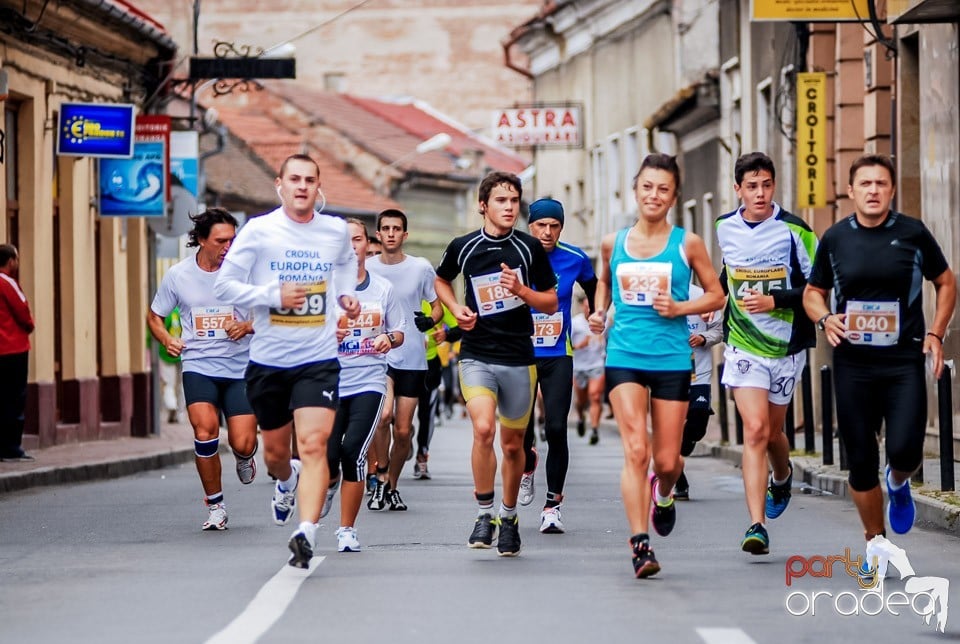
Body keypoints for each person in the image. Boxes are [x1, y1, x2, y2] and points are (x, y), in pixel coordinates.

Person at [803, 154, 956, 553]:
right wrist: (824, 320)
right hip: (852, 363)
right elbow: (813, 293)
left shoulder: (912, 233)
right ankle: (875, 541)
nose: (873, 190)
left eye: (881, 184)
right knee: (860, 457)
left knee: (906, 449)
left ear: (891, 190)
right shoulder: (835, 238)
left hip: (903, 360)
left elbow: (946, 281)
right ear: (851, 191)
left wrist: (936, 333)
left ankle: (899, 482)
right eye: (865, 184)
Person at [214, 153, 360, 568]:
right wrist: (271, 296)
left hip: (318, 359)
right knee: (276, 454)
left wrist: (346, 296)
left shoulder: (333, 231)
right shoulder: (259, 232)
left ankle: (307, 531)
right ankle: (285, 481)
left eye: (309, 180)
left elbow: (346, 266)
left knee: (314, 446)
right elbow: (225, 286)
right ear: (279, 184)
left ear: (318, 186)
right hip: (268, 362)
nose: (301, 186)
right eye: (294, 179)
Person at [588, 153, 724, 578]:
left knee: (666, 462)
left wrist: (681, 306)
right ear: (636, 190)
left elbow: (717, 296)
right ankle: (639, 544)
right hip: (625, 356)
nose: (654, 195)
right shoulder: (613, 242)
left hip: (671, 359)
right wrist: (598, 312)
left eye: (663, 189)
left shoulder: (688, 244)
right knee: (636, 450)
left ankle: (663, 493)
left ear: (673, 197)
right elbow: (605, 285)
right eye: (647, 186)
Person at [435, 170, 558, 557]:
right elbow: (441, 281)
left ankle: (509, 517)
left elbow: (551, 302)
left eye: (514, 201)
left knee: (512, 444)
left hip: (520, 358)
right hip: (477, 353)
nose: (509, 207)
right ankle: (483, 513)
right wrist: (456, 310)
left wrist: (521, 290)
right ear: (483, 205)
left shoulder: (528, 248)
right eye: (501, 201)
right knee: (484, 429)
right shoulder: (463, 246)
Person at [715, 152, 818, 556]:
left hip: (786, 347)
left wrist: (777, 300)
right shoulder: (725, 227)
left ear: (774, 186)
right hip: (743, 346)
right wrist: (713, 300)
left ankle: (783, 473)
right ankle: (756, 525)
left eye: (766, 185)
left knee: (773, 432)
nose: (760, 193)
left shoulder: (795, 230)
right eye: (751, 186)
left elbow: (818, 288)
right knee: (755, 430)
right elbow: (729, 273)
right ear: (737, 189)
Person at [148, 208, 258, 531]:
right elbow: (155, 316)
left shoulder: (246, 273)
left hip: (240, 368)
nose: (228, 247)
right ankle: (216, 506)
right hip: (199, 365)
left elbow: (271, 313)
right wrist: (167, 338)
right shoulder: (178, 276)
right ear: (200, 240)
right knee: (205, 431)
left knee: (242, 441)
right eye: (221, 241)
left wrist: (248, 326)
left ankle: (244, 456)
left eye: (232, 241)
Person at [323, 219, 405, 552]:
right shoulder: (321, 287)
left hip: (368, 380)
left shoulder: (382, 288)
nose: (350, 246)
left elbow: (399, 331)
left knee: (353, 451)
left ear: (364, 243)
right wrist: (328, 333)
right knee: (327, 457)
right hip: (327, 381)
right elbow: (297, 332)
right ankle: (328, 483)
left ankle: (346, 530)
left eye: (356, 239)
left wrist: (387, 338)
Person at [518, 198, 597, 535]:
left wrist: (596, 313)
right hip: (519, 353)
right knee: (519, 432)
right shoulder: (515, 254)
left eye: (554, 226)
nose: (547, 232)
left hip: (557, 353)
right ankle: (527, 463)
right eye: (541, 225)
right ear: (530, 226)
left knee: (555, 427)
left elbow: (594, 285)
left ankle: (552, 506)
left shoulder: (575, 258)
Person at [365, 209, 442, 511]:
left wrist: (430, 321)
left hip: (411, 356)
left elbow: (437, 307)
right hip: (378, 354)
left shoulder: (420, 268)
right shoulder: (367, 267)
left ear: (405, 235)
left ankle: (392, 485)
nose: (392, 233)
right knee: (383, 417)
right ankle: (380, 472)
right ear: (379, 234)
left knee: (403, 430)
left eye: (397, 228)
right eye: (386, 228)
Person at [673, 282, 724, 500]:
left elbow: (719, 330)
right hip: (669, 374)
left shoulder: (704, 296)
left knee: (698, 421)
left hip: (699, 375)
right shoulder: (657, 297)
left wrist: (704, 338)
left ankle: (681, 450)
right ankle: (679, 481)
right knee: (671, 431)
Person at [414, 300, 461, 480]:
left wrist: (446, 334)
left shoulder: (435, 304)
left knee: (426, 413)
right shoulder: (395, 293)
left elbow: (458, 327)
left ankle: (421, 456)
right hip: (400, 366)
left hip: (430, 365)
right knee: (397, 419)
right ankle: (404, 436)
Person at [0, 244, 35, 462]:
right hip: (13, 347)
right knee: (14, 397)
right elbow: (23, 311)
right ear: (11, 261)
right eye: (17, 259)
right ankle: (11, 446)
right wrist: (29, 326)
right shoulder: (7, 283)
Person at [571, 294, 605, 446]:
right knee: (581, 401)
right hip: (578, 367)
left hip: (596, 364)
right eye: (586, 307)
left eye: (591, 307)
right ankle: (580, 417)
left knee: (595, 396)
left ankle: (595, 430)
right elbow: (566, 345)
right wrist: (579, 345)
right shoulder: (575, 323)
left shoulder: (602, 322)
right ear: (582, 307)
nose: (589, 310)